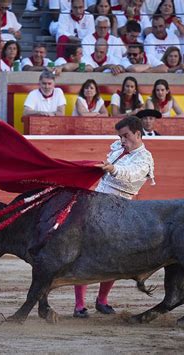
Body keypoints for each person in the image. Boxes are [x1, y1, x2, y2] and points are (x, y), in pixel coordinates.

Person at [73, 115, 155, 318]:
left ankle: (102, 301)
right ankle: (79, 306)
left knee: (112, 257)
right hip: (96, 204)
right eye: (120, 136)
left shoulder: (145, 158)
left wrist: (113, 168)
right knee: (82, 253)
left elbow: (132, 174)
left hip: (120, 211)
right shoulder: (118, 149)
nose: (122, 141)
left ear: (138, 133)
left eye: (126, 136)